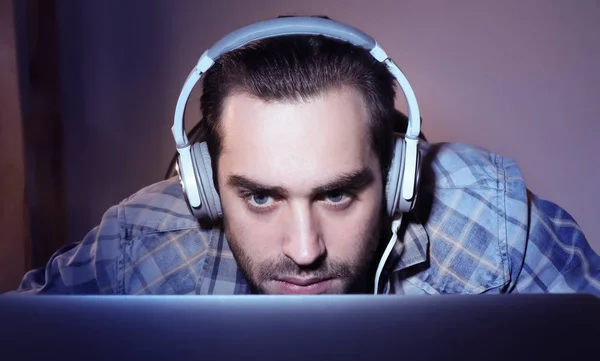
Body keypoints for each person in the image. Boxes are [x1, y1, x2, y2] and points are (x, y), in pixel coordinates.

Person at [15, 16, 600, 296]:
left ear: (398, 177)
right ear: (204, 184)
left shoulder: (492, 226)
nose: (304, 251)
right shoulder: (139, 247)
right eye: (261, 196)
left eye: (338, 193)